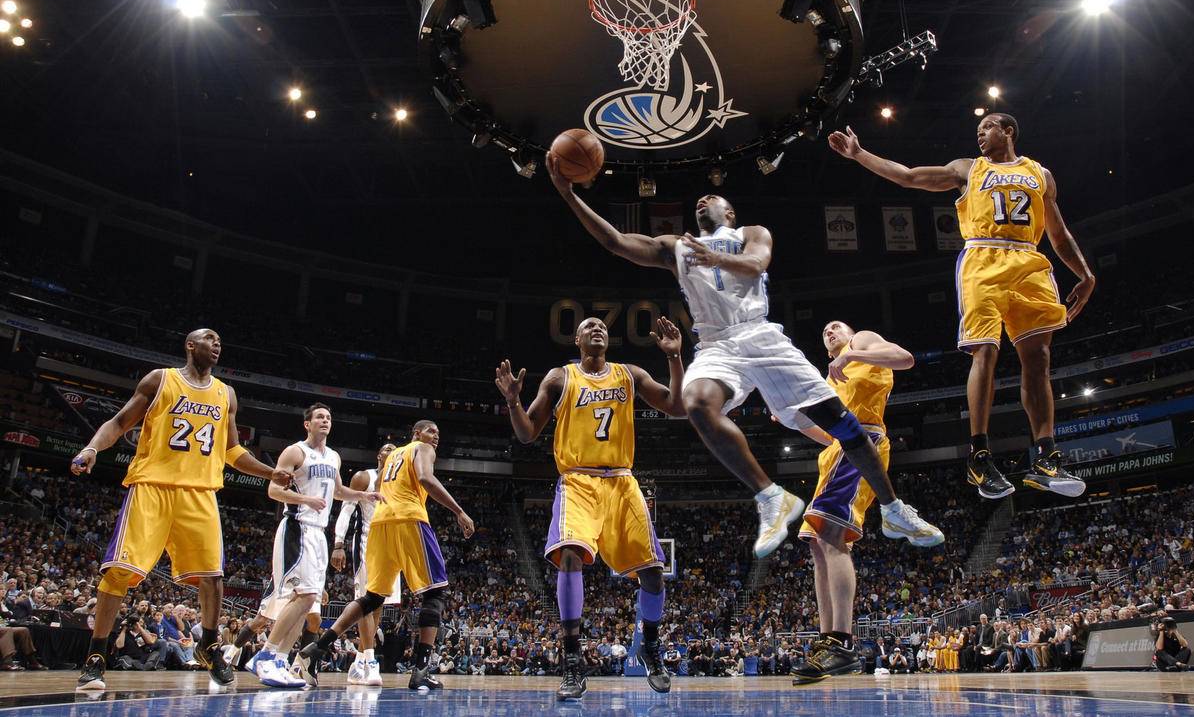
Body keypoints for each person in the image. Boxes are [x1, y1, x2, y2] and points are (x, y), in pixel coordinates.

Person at [548, 158, 941, 557]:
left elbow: (756, 264)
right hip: (716, 343)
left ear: (729, 213)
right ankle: (771, 497)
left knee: (844, 425)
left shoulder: (750, 233)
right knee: (696, 403)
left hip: (759, 334)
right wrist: (568, 195)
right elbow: (615, 242)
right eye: (699, 200)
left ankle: (893, 509)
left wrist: (717, 259)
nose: (703, 200)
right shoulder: (676, 247)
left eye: (712, 197)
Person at [829, 116, 1095, 499]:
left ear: (1008, 131)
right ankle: (979, 456)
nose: (980, 133)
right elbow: (908, 176)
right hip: (983, 259)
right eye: (978, 129)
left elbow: (1058, 232)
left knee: (1038, 359)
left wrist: (1085, 274)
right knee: (985, 351)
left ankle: (1045, 456)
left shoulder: (1041, 174)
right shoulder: (968, 168)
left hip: (1028, 261)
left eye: (987, 127)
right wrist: (860, 155)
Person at [69, 329, 291, 691]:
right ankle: (96, 655)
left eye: (220, 341)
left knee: (213, 576)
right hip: (152, 486)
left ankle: (208, 644)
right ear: (190, 345)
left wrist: (270, 472)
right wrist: (92, 448)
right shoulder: (160, 380)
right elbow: (119, 422)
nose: (217, 344)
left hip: (200, 492)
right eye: (209, 338)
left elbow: (232, 451)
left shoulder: (226, 394)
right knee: (119, 572)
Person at [496, 315, 686, 700]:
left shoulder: (629, 373)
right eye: (589, 326)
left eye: (601, 326)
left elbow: (677, 406)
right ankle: (572, 661)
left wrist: (674, 358)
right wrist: (514, 401)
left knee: (653, 574)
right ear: (577, 340)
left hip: (622, 481)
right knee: (569, 556)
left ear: (607, 339)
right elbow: (527, 433)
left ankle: (650, 647)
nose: (597, 328)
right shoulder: (560, 377)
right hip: (578, 480)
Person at [791, 321, 941, 685]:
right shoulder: (829, 377)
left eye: (836, 326)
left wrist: (853, 352)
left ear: (849, 332)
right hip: (834, 454)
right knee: (817, 544)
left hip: (863, 442)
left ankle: (841, 643)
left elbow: (904, 358)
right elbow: (827, 434)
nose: (829, 331)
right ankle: (827, 640)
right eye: (824, 331)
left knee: (832, 537)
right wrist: (794, 421)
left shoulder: (861, 342)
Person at [300, 420, 474, 691]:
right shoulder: (422, 448)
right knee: (435, 593)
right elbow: (426, 478)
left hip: (380, 525)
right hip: (409, 519)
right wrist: (459, 511)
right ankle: (421, 671)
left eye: (438, 433)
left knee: (372, 598)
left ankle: (317, 648)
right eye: (431, 431)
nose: (435, 436)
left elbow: (380, 487)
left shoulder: (393, 456)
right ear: (416, 433)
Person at [251, 403, 380, 687]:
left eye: (329, 417)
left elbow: (338, 492)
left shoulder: (334, 456)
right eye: (319, 417)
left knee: (309, 601)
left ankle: (280, 660)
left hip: (319, 533)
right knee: (306, 595)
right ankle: (265, 655)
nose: (325, 420)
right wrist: (305, 500)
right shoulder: (295, 452)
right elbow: (274, 490)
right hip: (297, 527)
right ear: (307, 424)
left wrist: (363, 496)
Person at [332, 443, 398, 686]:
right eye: (386, 448)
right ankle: (370, 661)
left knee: (378, 605)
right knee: (365, 602)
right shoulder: (363, 477)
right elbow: (346, 511)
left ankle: (359, 662)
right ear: (379, 455)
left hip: (390, 545)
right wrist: (339, 543)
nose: (391, 451)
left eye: (395, 449)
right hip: (366, 542)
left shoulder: (398, 483)